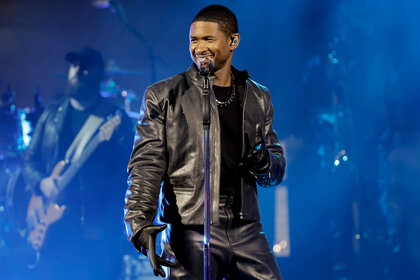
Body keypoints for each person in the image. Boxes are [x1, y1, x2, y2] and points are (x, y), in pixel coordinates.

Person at [124, 5, 286, 279]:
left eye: (208, 39)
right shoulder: (164, 96)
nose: (199, 47)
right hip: (190, 227)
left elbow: (276, 170)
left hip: (245, 227)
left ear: (232, 41)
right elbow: (146, 164)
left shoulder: (258, 96)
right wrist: (138, 222)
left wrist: (264, 161)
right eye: (194, 40)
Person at [22, 47, 133, 279]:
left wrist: (105, 224)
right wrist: (42, 184)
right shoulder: (51, 115)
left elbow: (128, 178)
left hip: (94, 234)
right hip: (55, 235)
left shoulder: (114, 118)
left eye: (85, 67)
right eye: (74, 66)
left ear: (97, 74)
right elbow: (29, 161)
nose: (78, 72)